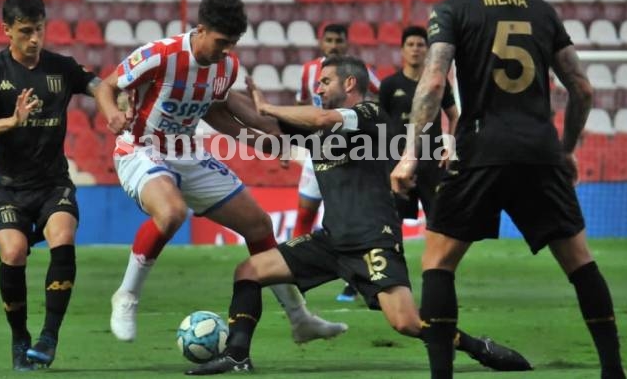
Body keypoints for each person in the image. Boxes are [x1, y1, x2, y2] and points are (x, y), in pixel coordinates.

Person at [186, 55, 531, 375]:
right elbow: (264, 124)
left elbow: (310, 115)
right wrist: (217, 93)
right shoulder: (318, 133)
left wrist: (267, 104)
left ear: (349, 84)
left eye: (325, 81)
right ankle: (237, 355)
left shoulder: (370, 113)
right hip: (332, 240)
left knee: (407, 323)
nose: (318, 88)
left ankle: (476, 346)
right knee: (248, 270)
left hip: (371, 240)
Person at [390, 0, 625, 379]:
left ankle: (441, 376)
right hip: (540, 148)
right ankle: (613, 370)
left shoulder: (452, 8)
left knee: (439, 261)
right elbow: (581, 88)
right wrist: (568, 148)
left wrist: (409, 154)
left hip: (482, 147)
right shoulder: (541, 9)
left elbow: (434, 81)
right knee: (579, 260)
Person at [95, 0, 347, 345]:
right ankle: (127, 296)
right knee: (171, 213)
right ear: (200, 29)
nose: (227, 50)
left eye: (233, 42)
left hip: (189, 153)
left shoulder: (226, 66)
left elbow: (216, 114)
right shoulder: (161, 55)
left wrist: (264, 140)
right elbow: (107, 86)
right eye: (221, 41)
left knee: (259, 225)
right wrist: (112, 114)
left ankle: (299, 318)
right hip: (141, 149)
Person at [0, 0, 99, 370]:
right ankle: (20, 336)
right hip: (9, 186)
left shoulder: (61, 67)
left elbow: (99, 85)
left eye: (39, 29)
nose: (35, 39)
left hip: (53, 183)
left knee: (63, 237)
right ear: (7, 30)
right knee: (13, 253)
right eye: (25, 31)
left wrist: (117, 103)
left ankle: (49, 337)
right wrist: (12, 121)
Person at [293, 23, 380, 302]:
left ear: (345, 43)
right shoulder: (309, 71)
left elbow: (380, 94)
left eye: (338, 40)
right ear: (321, 43)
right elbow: (301, 107)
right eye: (328, 40)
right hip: (317, 148)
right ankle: (295, 277)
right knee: (305, 212)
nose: (333, 45)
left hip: (351, 152)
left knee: (346, 215)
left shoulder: (357, 71)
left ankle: (354, 280)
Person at [379, 26, 459, 221]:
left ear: (428, 50)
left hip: (432, 161)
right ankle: (393, 253)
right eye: (410, 44)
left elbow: (455, 116)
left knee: (438, 220)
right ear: (402, 50)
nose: (415, 49)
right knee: (393, 219)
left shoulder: (437, 83)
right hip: (399, 160)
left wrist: (451, 148)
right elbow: (381, 123)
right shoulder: (390, 85)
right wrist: (383, 160)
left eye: (420, 45)